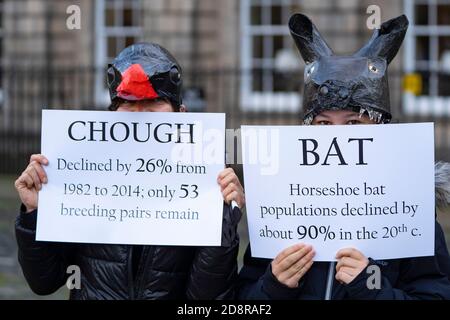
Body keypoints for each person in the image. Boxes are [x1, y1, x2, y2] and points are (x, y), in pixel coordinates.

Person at [237, 13, 450, 300]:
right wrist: (273, 286)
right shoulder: (283, 203)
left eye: (353, 123)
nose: (338, 137)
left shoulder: (409, 205)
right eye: (324, 124)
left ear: (380, 128)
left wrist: (371, 288)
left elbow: (433, 294)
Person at [14, 42, 245, 300]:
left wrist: (223, 217)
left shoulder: (204, 183)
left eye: (154, 103)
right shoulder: (83, 175)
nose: (139, 116)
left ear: (181, 114)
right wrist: (34, 213)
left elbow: (206, 299)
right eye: (127, 104)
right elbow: (44, 281)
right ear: (111, 113)